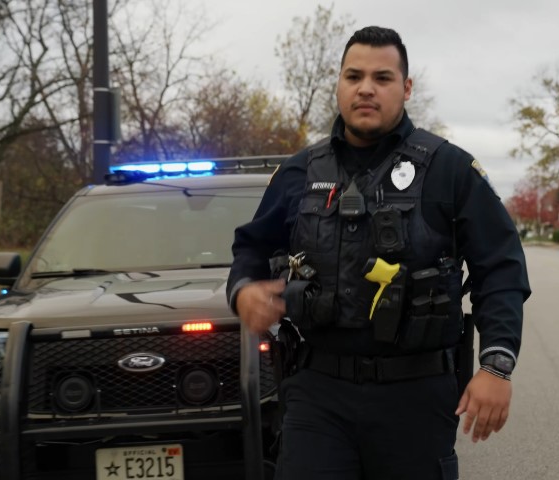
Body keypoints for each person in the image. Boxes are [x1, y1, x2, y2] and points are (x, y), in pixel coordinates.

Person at [227, 26, 530, 480]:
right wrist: (244, 290)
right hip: (317, 394)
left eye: (383, 78)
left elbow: (500, 269)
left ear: (406, 88)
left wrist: (497, 365)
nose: (366, 88)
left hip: (416, 395)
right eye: (354, 76)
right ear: (339, 84)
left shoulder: (450, 170)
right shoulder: (299, 173)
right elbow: (250, 248)